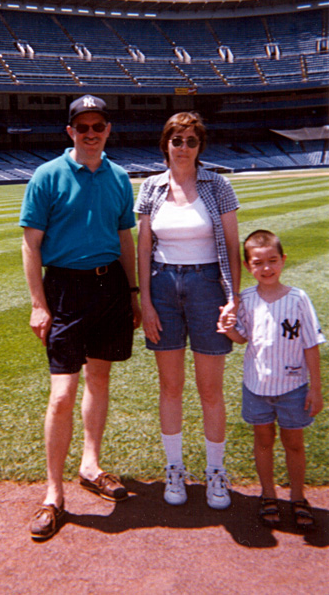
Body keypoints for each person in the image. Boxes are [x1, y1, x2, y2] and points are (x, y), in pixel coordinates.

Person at [20, 94, 142, 541]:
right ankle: (54, 494)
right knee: (62, 394)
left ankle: (90, 465)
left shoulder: (120, 177)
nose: (91, 133)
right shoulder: (47, 175)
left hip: (110, 287)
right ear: (70, 131)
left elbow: (123, 237)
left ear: (108, 129)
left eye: (99, 126)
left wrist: (132, 293)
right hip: (65, 289)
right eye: (82, 127)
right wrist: (38, 302)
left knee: (100, 380)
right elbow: (31, 244)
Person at [135, 111, 241, 510]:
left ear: (200, 147)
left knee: (211, 388)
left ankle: (216, 472)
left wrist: (233, 298)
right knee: (170, 386)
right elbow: (144, 248)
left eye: (190, 141)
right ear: (166, 144)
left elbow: (232, 247)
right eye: (176, 140)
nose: (182, 148)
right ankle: (174, 468)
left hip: (207, 286)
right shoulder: (151, 187)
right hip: (162, 286)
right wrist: (145, 300)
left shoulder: (218, 185)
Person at [221, 229, 325, 529]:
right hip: (257, 387)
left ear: (283, 261)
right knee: (263, 441)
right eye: (258, 262)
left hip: (293, 387)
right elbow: (241, 338)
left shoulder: (298, 299)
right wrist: (227, 327)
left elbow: (311, 343)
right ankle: (268, 494)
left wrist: (315, 388)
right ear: (248, 265)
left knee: (294, 443)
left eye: (272, 260)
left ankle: (297, 496)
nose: (266, 268)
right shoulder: (247, 299)